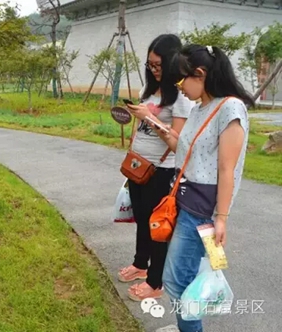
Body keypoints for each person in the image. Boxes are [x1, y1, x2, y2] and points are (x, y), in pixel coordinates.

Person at [152, 44, 255, 332]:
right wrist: (164, 133)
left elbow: (227, 168)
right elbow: (188, 153)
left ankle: (190, 329)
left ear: (200, 74)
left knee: (176, 279)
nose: (179, 88)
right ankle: (186, 327)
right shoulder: (200, 109)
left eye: (181, 80)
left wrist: (221, 218)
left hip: (203, 211)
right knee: (189, 275)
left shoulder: (230, 108)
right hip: (185, 202)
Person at [118, 34, 194, 302]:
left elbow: (178, 142)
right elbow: (142, 127)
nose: (153, 70)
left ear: (173, 64)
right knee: (140, 218)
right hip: (138, 165)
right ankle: (140, 265)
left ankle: (156, 282)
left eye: (158, 65)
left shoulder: (182, 97)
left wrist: (149, 118)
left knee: (157, 226)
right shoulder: (147, 90)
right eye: (150, 64)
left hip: (162, 170)